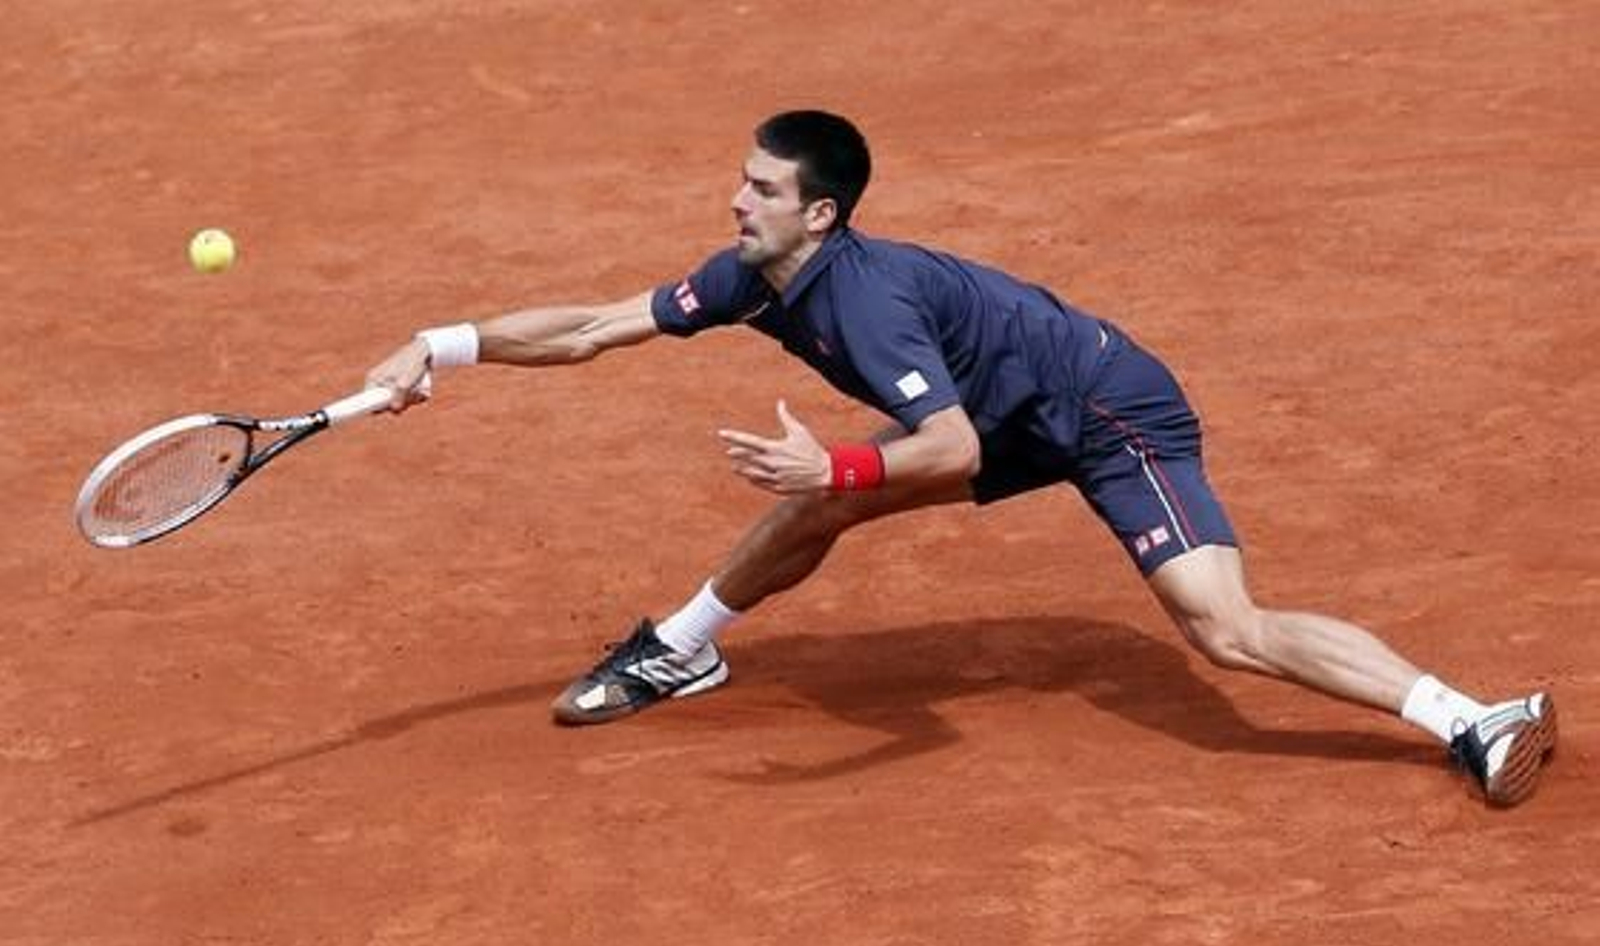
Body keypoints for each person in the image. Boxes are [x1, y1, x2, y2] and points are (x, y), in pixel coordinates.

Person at [365, 110, 1557, 807]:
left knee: (1223, 632)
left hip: (1101, 410)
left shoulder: (868, 303)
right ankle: (679, 651)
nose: (734, 200)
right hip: (1001, 404)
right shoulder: (747, 274)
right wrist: (444, 343)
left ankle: (1473, 715)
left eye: (761, 189)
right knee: (819, 502)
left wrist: (832, 469)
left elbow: (948, 445)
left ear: (818, 214)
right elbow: (588, 326)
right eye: (741, 178)